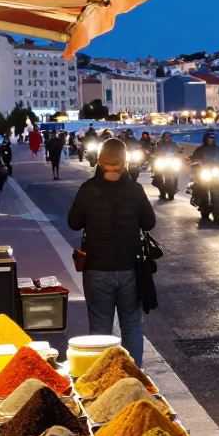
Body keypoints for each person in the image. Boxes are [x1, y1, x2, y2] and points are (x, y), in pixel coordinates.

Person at [67, 138, 156, 367]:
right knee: (132, 327)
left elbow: (73, 223)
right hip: (131, 269)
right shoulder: (134, 189)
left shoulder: (88, 189)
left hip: (97, 269)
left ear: (99, 160)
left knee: (99, 329)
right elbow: (149, 223)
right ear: (125, 162)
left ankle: (102, 381)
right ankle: (134, 376)